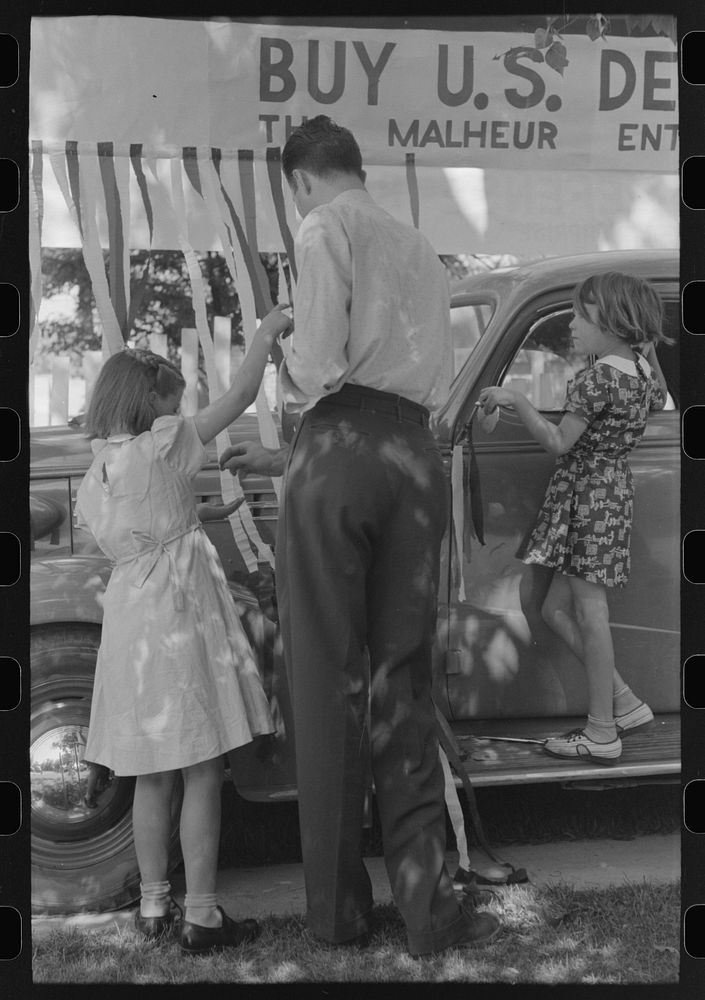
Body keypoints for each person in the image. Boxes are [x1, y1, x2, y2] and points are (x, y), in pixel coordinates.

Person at [219, 115, 501, 956]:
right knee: (402, 679)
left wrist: (278, 347)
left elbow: (319, 360)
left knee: (326, 682)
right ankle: (430, 910)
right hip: (414, 451)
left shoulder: (321, 225)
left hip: (339, 446)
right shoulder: (419, 246)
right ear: (352, 165)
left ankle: (337, 915)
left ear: (300, 178)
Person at [74, 304, 292, 953]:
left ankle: (151, 905)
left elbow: (140, 529)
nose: (179, 409)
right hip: (180, 612)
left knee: (150, 772)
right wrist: (262, 335)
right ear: (152, 404)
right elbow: (242, 394)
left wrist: (190, 511)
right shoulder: (167, 440)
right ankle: (201, 914)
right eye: (172, 398)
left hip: (132, 621)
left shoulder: (99, 470)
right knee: (200, 764)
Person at [479, 270, 669, 765]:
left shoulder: (598, 377)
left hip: (586, 494)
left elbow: (559, 441)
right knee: (553, 609)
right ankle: (623, 702)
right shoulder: (641, 374)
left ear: (612, 320)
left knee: (588, 612)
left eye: (583, 316)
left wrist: (516, 400)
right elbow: (660, 396)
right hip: (608, 491)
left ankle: (602, 730)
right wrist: (645, 350)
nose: (574, 324)